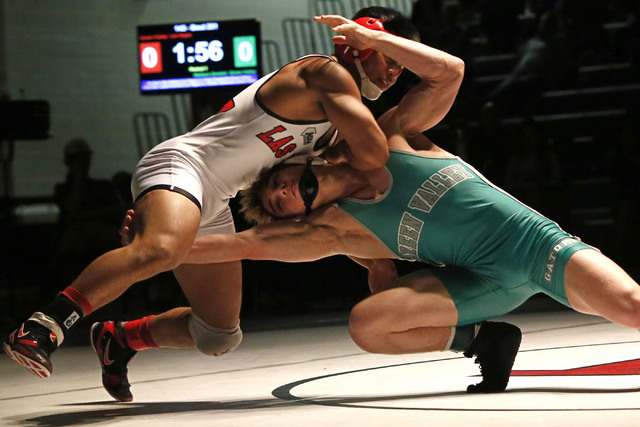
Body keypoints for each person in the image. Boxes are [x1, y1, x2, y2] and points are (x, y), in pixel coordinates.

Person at [3, 9, 466, 403]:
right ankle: (42, 327)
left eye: (402, 69)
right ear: (361, 42)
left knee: (219, 335)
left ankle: (119, 338)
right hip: (183, 163)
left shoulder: (336, 121)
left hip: (214, 196)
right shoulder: (325, 73)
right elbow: (374, 155)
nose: (393, 75)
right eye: (391, 58)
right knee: (161, 250)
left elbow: (435, 87)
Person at [155, 85, 640, 395]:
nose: (286, 192)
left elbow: (448, 71)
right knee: (369, 325)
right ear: (305, 213)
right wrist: (154, 242)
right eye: (284, 201)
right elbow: (236, 246)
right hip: (481, 282)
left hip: (536, 248)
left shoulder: (394, 142)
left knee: (630, 307)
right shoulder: (336, 229)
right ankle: (481, 339)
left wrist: (370, 38)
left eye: (286, 181)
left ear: (311, 162)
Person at [49, 139, 126, 288]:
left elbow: (117, 211)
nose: (83, 163)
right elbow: (71, 209)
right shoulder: (62, 189)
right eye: (78, 160)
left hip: (103, 235)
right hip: (77, 241)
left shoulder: (103, 186)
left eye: (85, 159)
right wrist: (77, 179)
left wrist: (88, 216)